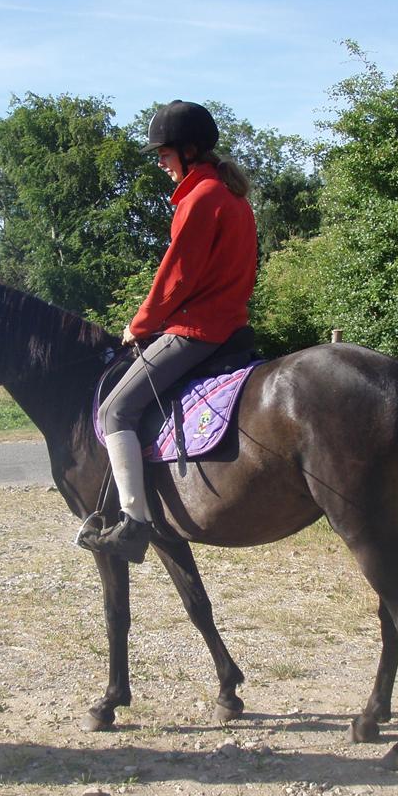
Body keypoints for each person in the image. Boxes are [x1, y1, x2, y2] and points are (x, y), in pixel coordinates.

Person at [78, 100, 258, 564]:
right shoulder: (233, 197)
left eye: (164, 154)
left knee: (115, 410)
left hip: (197, 330)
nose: (160, 163)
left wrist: (138, 326)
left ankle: (134, 524)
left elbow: (174, 278)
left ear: (189, 151)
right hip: (232, 325)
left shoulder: (200, 200)